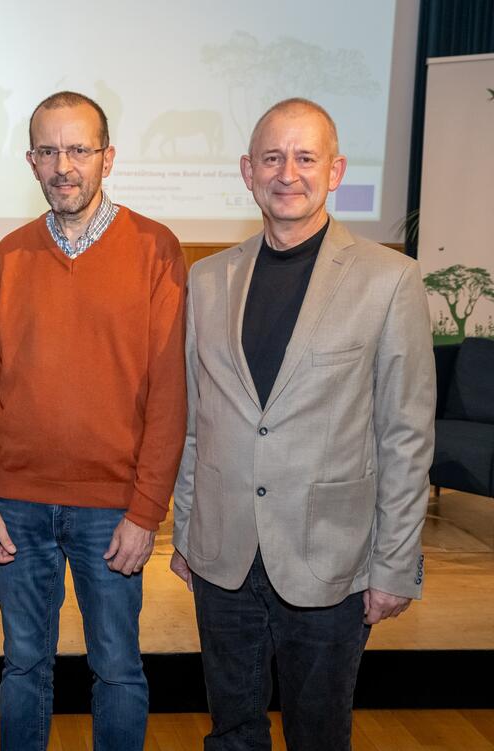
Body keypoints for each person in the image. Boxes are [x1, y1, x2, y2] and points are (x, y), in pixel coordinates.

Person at [170, 98, 435, 750]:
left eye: (305, 157)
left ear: (336, 169)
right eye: (271, 157)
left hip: (331, 562)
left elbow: (405, 434)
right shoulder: (206, 280)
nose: (287, 172)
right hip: (222, 557)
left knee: (318, 736)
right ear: (247, 170)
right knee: (232, 733)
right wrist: (186, 529)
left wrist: (394, 563)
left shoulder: (390, 280)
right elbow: (194, 420)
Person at [0, 91, 187, 751]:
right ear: (31, 160)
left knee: (117, 668)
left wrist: (146, 511)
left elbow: (170, 394)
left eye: (79, 149)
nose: (64, 165)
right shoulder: (10, 255)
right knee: (22, 665)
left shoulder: (155, 249)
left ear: (107, 157)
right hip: (16, 506)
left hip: (111, 512)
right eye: (49, 150)